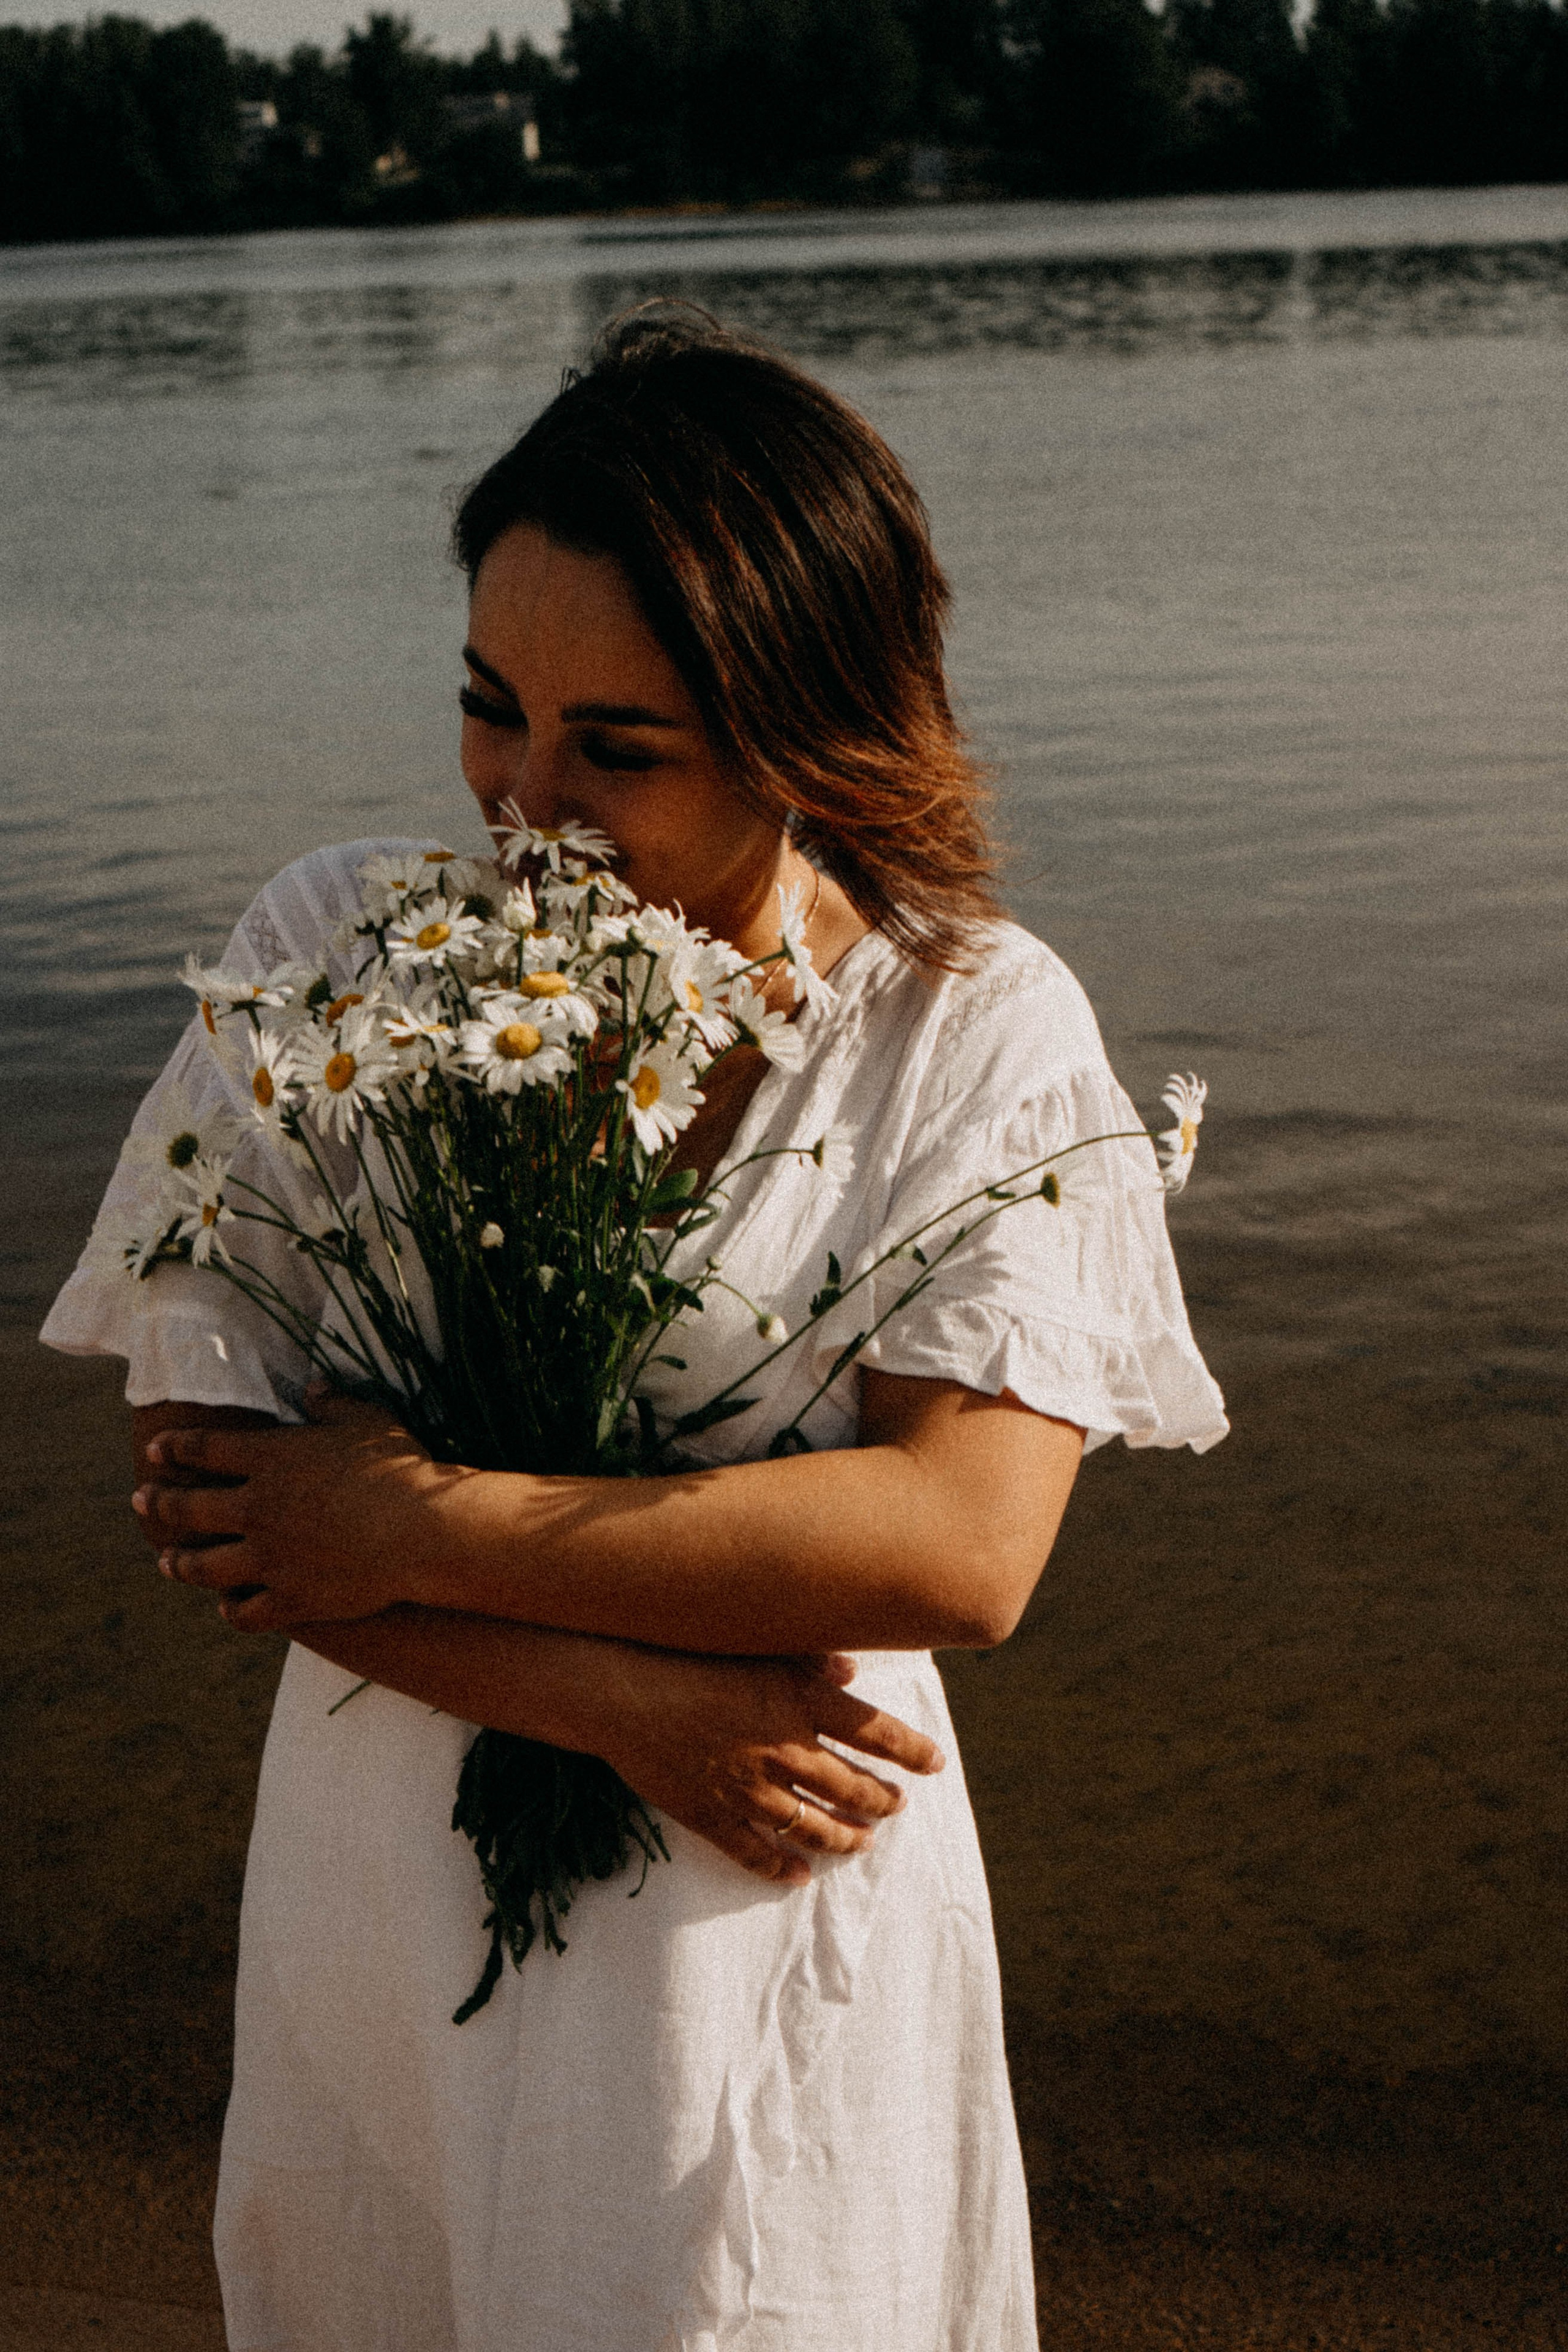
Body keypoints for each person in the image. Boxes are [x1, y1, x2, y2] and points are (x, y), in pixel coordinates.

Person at [42, 308, 1227, 2352]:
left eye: (621, 745)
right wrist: (631, 1708)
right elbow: (227, 1495)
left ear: (808, 729)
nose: (525, 801)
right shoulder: (339, 954)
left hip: (762, 1917)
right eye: (493, 707)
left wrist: (416, 1525)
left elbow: (962, 1546)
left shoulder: (974, 1029)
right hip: (404, 1880)